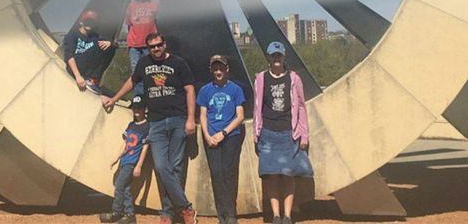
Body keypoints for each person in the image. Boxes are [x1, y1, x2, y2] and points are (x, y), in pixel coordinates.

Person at [103, 33, 197, 224]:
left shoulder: (178, 63)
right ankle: (185, 208)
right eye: (152, 46)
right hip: (156, 122)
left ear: (164, 44)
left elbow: (190, 90)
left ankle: (167, 213)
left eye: (158, 45)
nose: (156, 49)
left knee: (175, 168)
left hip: (177, 120)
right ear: (148, 48)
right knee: (161, 166)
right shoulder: (144, 63)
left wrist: (190, 119)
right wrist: (114, 98)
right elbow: (132, 81)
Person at [253, 41, 312, 224]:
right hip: (267, 134)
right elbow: (257, 107)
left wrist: (304, 134)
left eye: (279, 55)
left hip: (288, 133)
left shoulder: (294, 79)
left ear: (284, 56)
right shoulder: (261, 79)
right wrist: (256, 133)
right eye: (273, 55)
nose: (276, 58)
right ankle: (276, 216)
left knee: (288, 175)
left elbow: (301, 107)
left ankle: (287, 216)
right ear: (268, 58)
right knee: (271, 176)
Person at [197, 55, 246, 224]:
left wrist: (224, 133)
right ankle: (222, 215)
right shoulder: (205, 90)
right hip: (211, 137)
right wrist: (207, 136)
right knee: (216, 174)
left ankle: (231, 214)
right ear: (211, 70)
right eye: (215, 69)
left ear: (227, 69)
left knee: (229, 173)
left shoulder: (236, 89)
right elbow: (203, 115)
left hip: (230, 136)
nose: (218, 72)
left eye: (221, 68)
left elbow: (240, 116)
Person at [100, 95, 150, 224]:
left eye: (139, 108)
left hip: (132, 163)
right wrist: (116, 158)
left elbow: (145, 148)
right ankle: (130, 215)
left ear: (145, 109)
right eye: (135, 108)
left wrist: (139, 165)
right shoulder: (131, 125)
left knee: (119, 186)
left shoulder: (147, 127)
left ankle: (116, 212)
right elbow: (125, 144)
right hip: (124, 160)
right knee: (126, 188)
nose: (136, 110)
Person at [64, 10, 115, 95]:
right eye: (87, 21)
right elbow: (69, 56)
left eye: (92, 22)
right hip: (75, 68)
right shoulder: (73, 35)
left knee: (110, 47)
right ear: (81, 22)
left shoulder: (95, 37)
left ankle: (93, 80)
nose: (89, 24)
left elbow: (113, 44)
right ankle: (87, 78)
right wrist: (78, 76)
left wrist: (110, 43)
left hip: (86, 71)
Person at [123, 0, 160, 73]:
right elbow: (129, 25)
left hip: (150, 44)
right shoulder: (131, 6)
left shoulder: (155, 5)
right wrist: (129, 42)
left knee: (150, 70)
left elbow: (158, 24)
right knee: (136, 70)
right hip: (134, 45)